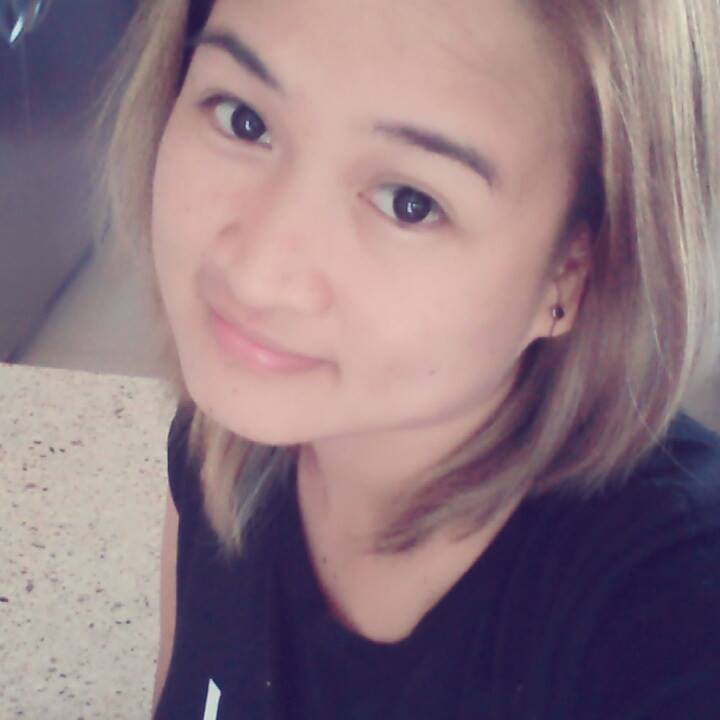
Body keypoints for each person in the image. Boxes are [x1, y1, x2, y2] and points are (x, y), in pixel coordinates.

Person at [95, 0, 720, 717]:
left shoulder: (673, 606)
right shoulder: (224, 439)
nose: (258, 277)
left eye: (409, 203)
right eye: (244, 120)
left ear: (572, 273)